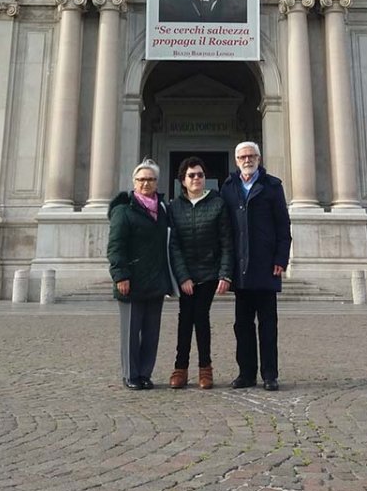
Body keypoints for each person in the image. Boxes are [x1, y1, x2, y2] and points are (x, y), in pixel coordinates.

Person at [220, 141, 291, 391]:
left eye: (251, 156)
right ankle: (246, 373)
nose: (247, 160)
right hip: (241, 267)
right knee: (242, 325)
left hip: (266, 266)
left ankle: (270, 374)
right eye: (242, 156)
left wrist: (281, 259)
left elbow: (283, 226)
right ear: (236, 160)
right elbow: (224, 229)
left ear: (259, 158)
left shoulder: (273, 186)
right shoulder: (228, 188)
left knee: (268, 325)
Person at [168, 156, 233, 390]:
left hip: (209, 272)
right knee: (185, 319)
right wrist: (183, 276)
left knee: (200, 317)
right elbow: (173, 244)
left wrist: (225, 274)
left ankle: (205, 369)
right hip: (185, 274)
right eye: (191, 175)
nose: (196, 178)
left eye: (200, 175)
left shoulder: (218, 204)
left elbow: (227, 242)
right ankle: (180, 368)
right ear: (183, 181)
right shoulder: (174, 207)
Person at [107, 159, 170, 390]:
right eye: (141, 180)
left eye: (150, 179)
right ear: (134, 183)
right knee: (131, 332)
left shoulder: (163, 210)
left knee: (152, 333)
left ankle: (145, 373)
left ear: (156, 182)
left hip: (155, 280)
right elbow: (115, 246)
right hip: (131, 280)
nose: (146, 183)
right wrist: (120, 275)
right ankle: (130, 374)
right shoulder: (123, 211)